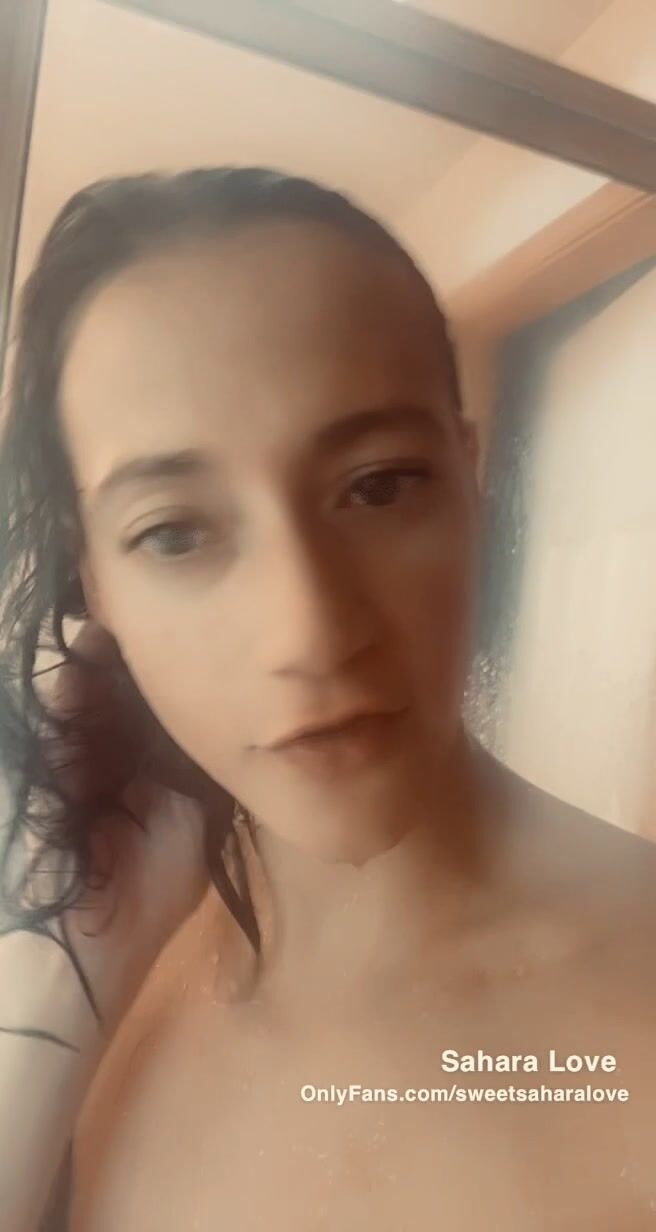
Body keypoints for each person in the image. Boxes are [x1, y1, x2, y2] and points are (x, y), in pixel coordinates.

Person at [0, 167, 654, 1232]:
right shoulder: (100, 967)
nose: (308, 631)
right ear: (95, 584)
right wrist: (54, 995)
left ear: (470, 478)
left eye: (378, 484)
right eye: (175, 531)